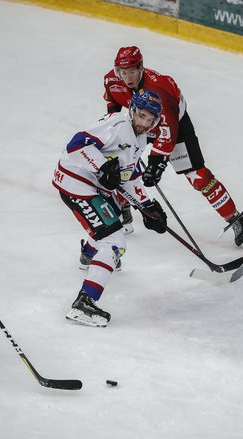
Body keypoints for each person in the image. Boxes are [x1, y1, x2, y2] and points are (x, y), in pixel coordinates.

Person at [103, 46, 243, 249]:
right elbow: (112, 101)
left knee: (198, 177)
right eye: (123, 72)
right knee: (119, 162)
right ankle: (123, 209)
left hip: (173, 123)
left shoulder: (160, 90)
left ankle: (236, 220)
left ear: (141, 68)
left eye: (132, 71)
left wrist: (155, 164)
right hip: (138, 121)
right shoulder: (112, 81)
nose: (127, 77)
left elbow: (168, 132)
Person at [53, 90, 168, 328]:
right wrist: (104, 167)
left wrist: (147, 206)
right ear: (133, 110)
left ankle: (90, 254)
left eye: (151, 120)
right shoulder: (117, 124)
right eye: (143, 116)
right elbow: (76, 145)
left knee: (112, 217)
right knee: (115, 240)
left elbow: (128, 175)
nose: (145, 123)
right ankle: (83, 304)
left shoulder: (141, 137)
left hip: (92, 186)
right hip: (77, 183)